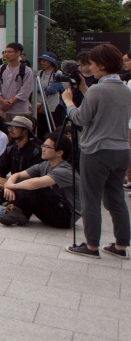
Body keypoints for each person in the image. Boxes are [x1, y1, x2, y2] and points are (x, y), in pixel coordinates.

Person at [61, 43, 131, 259]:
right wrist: (84, 88)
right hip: (121, 150)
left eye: (91, 63)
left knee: (91, 198)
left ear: (101, 64)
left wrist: (68, 103)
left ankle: (91, 246)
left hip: (97, 151)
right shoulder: (125, 89)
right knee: (116, 198)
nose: (88, 67)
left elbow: (81, 118)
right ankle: (121, 245)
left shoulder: (99, 90)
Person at [0, 131, 81, 228]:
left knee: (34, 186)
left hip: (66, 217)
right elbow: (18, 175)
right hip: (53, 209)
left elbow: (38, 183)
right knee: (22, 181)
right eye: (43, 146)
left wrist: (12, 186)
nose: (43, 149)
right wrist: (9, 185)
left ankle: (17, 212)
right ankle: (17, 212)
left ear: (59, 152)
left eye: (48, 147)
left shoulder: (65, 171)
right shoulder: (45, 165)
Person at [0, 115, 42, 195]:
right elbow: (2, 168)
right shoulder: (11, 148)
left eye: (15, 127)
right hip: (12, 183)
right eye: (10, 127)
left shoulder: (36, 151)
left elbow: (33, 177)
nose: (10, 130)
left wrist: (7, 186)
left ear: (25, 132)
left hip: (28, 188)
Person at [0, 42, 34, 122]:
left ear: (18, 53)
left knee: (18, 132)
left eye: (10, 52)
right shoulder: (1, 69)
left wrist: (10, 102)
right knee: (3, 131)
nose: (7, 54)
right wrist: (2, 100)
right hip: (2, 109)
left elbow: (26, 90)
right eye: (5, 52)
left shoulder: (26, 70)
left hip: (19, 110)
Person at [35, 52, 67, 137]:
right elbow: (35, 87)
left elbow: (53, 89)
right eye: (41, 60)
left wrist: (42, 89)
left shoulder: (58, 73)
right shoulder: (40, 73)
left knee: (54, 130)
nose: (42, 62)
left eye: (45, 60)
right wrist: (46, 88)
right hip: (41, 106)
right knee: (41, 130)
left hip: (54, 106)